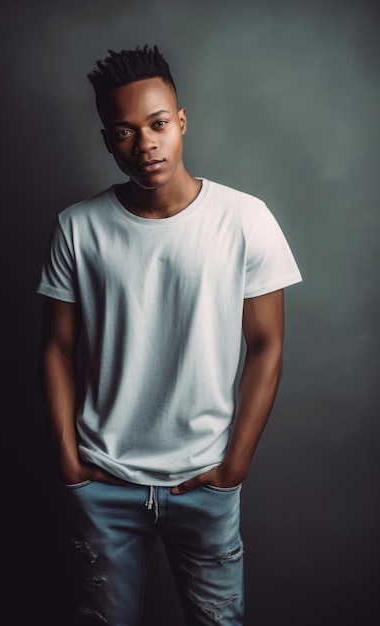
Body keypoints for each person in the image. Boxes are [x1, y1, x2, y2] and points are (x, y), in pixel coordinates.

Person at [38, 44, 302, 626]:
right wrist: (66, 459)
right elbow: (56, 348)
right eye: (125, 131)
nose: (145, 143)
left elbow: (267, 347)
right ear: (108, 139)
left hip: (204, 483)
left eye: (158, 124)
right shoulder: (79, 227)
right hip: (103, 481)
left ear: (181, 123)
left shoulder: (245, 219)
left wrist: (236, 465)